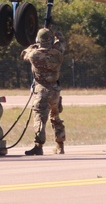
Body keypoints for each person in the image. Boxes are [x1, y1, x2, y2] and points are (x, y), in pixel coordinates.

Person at [21, 26, 67, 155]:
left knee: (40, 119)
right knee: (56, 118)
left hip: (42, 90)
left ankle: (38, 146)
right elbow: (62, 41)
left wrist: (35, 45)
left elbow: (24, 53)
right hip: (55, 90)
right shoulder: (58, 51)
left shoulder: (34, 54)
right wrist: (55, 30)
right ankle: (60, 145)